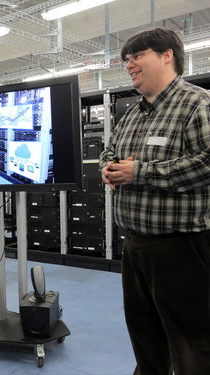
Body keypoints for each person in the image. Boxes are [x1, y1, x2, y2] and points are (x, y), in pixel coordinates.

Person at [99, 27, 210, 375]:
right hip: (135, 246)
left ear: (167, 55)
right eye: (125, 60)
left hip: (183, 248)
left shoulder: (197, 103)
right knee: (144, 334)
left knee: (192, 341)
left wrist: (141, 173)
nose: (128, 64)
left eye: (137, 56)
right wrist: (108, 167)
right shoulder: (132, 113)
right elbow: (109, 152)